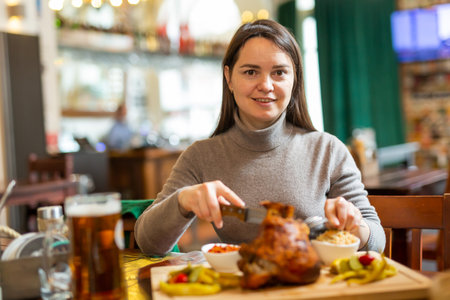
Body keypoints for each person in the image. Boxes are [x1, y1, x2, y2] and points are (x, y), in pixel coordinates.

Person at [135, 19, 385, 256]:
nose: (266, 85)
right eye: (251, 72)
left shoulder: (328, 150)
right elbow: (147, 242)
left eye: (279, 72)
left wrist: (356, 227)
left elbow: (377, 238)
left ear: (294, 79)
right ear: (229, 77)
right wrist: (182, 200)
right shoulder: (201, 156)